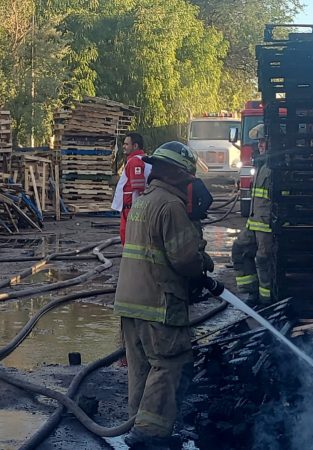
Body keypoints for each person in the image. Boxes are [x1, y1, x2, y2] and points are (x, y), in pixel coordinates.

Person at [114, 141, 224, 448]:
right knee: (170, 363)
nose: (192, 183)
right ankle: (151, 435)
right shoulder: (171, 206)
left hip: (130, 301)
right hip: (159, 302)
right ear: (177, 173)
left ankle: (139, 425)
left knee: (141, 368)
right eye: (189, 177)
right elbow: (185, 259)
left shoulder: (145, 201)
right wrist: (204, 262)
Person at [231, 123, 273, 305]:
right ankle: (251, 292)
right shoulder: (262, 164)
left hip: (267, 225)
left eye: (264, 141)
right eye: (260, 141)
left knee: (263, 259)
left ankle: (267, 300)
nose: (260, 145)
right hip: (254, 223)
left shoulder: (275, 168)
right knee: (239, 250)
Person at [111, 132, 151, 244]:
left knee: (127, 235)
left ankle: (129, 260)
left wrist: (134, 208)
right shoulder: (144, 159)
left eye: (126, 144)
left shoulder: (135, 161)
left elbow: (138, 187)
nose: (124, 146)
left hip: (130, 208)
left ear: (135, 146)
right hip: (133, 207)